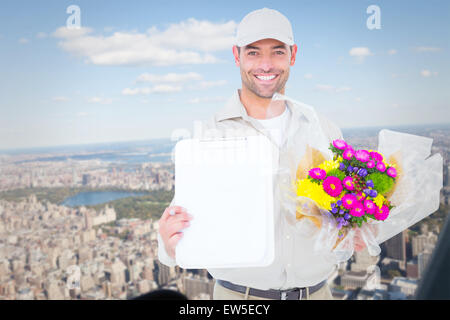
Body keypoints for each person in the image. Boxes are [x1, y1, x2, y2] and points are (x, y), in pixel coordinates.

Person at [157, 7, 367, 300]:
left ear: (293, 55)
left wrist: (356, 229)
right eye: (253, 52)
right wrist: (168, 245)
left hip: (318, 294)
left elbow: (342, 220)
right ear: (236, 55)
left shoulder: (324, 130)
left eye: (277, 52)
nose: (266, 64)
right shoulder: (209, 134)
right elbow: (183, 226)